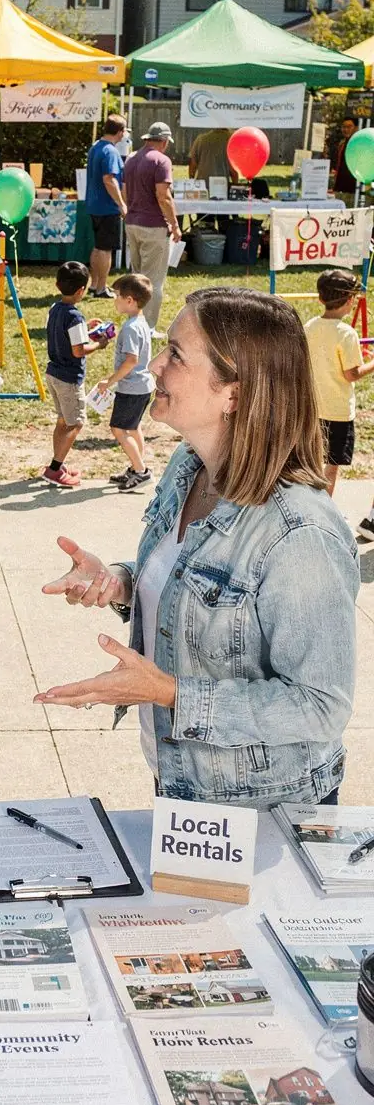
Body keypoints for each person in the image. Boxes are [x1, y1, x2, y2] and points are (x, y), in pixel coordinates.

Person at [36, 286, 359, 809]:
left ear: (234, 393)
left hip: (263, 812)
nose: (157, 364)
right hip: (184, 785)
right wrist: (120, 580)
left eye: (176, 355)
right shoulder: (188, 468)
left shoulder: (300, 533)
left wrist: (168, 693)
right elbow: (196, 580)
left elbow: (320, 705)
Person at [304, 268, 374, 497]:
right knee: (331, 465)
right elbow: (352, 374)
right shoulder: (347, 333)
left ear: (321, 298)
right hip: (338, 412)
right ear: (350, 300)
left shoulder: (310, 326)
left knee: (310, 461)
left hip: (313, 409)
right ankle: (326, 513)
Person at [42, 261, 106, 489]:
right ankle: (54, 469)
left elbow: (63, 335)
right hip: (69, 378)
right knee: (76, 424)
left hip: (53, 373)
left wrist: (85, 329)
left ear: (57, 284)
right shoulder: (74, 317)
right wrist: (98, 345)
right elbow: (78, 349)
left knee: (62, 421)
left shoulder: (54, 309)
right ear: (81, 291)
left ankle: (57, 462)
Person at [95, 273, 154, 494]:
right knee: (133, 427)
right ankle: (137, 466)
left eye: (117, 296)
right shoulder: (139, 323)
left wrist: (109, 382)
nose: (114, 299)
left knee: (119, 429)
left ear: (130, 300)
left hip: (131, 387)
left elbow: (131, 360)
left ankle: (141, 471)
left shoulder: (130, 328)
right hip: (143, 386)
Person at [123, 121, 181, 331]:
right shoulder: (161, 161)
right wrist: (174, 224)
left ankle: (133, 322)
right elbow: (164, 197)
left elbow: (125, 193)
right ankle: (146, 327)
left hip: (132, 223)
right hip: (153, 226)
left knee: (136, 277)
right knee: (153, 281)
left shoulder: (131, 159)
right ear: (164, 142)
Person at [85, 114, 128, 298]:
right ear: (120, 132)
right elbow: (109, 179)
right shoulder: (110, 151)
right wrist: (121, 204)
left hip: (94, 205)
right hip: (107, 207)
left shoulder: (95, 147)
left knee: (98, 247)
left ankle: (94, 284)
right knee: (105, 249)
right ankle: (101, 287)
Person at [332, 117, 359, 201]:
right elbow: (339, 167)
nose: (346, 129)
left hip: (355, 190)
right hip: (340, 190)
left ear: (356, 128)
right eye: (344, 127)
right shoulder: (342, 145)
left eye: (349, 126)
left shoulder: (361, 144)